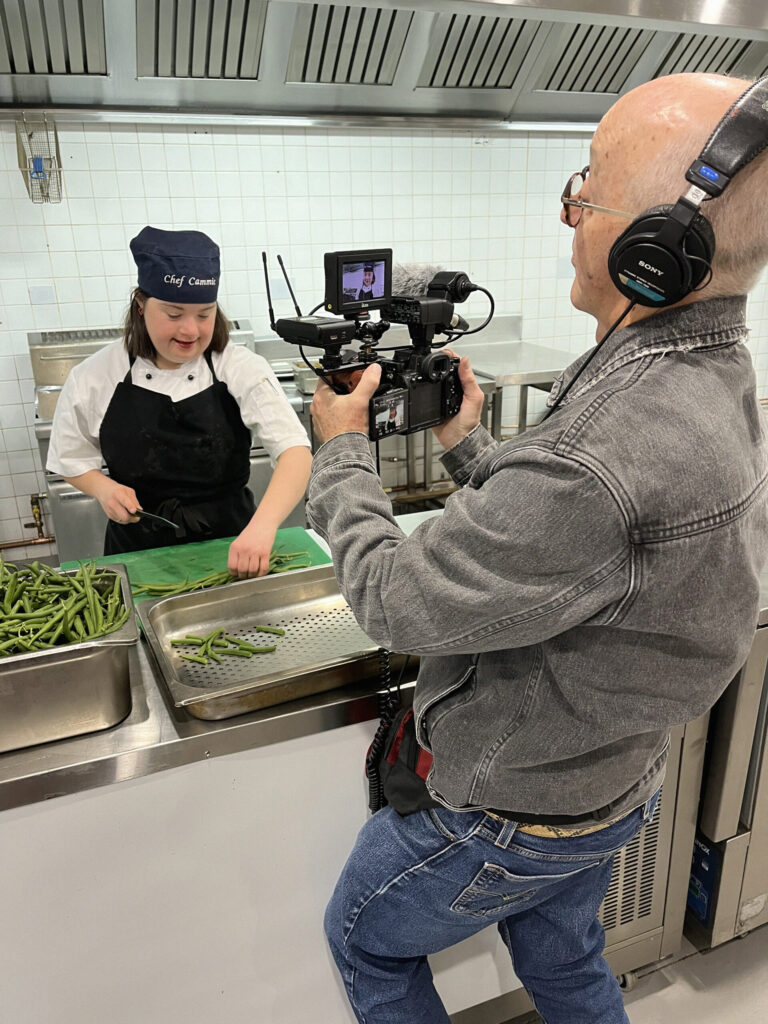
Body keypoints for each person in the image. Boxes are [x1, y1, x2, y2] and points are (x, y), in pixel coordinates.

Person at [306, 73, 768, 1024]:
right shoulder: (714, 374)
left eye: (586, 189)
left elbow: (397, 602)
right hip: (614, 784)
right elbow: (592, 547)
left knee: (365, 941)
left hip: (512, 811)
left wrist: (341, 450)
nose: (569, 212)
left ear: (656, 245)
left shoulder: (599, 446)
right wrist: (469, 445)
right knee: (565, 964)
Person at [48, 227, 312, 577]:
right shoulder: (95, 376)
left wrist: (263, 527)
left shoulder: (239, 366)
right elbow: (70, 458)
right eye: (174, 315)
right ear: (140, 306)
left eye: (204, 314)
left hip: (235, 545)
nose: (191, 330)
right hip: (138, 553)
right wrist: (103, 488)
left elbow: (295, 452)